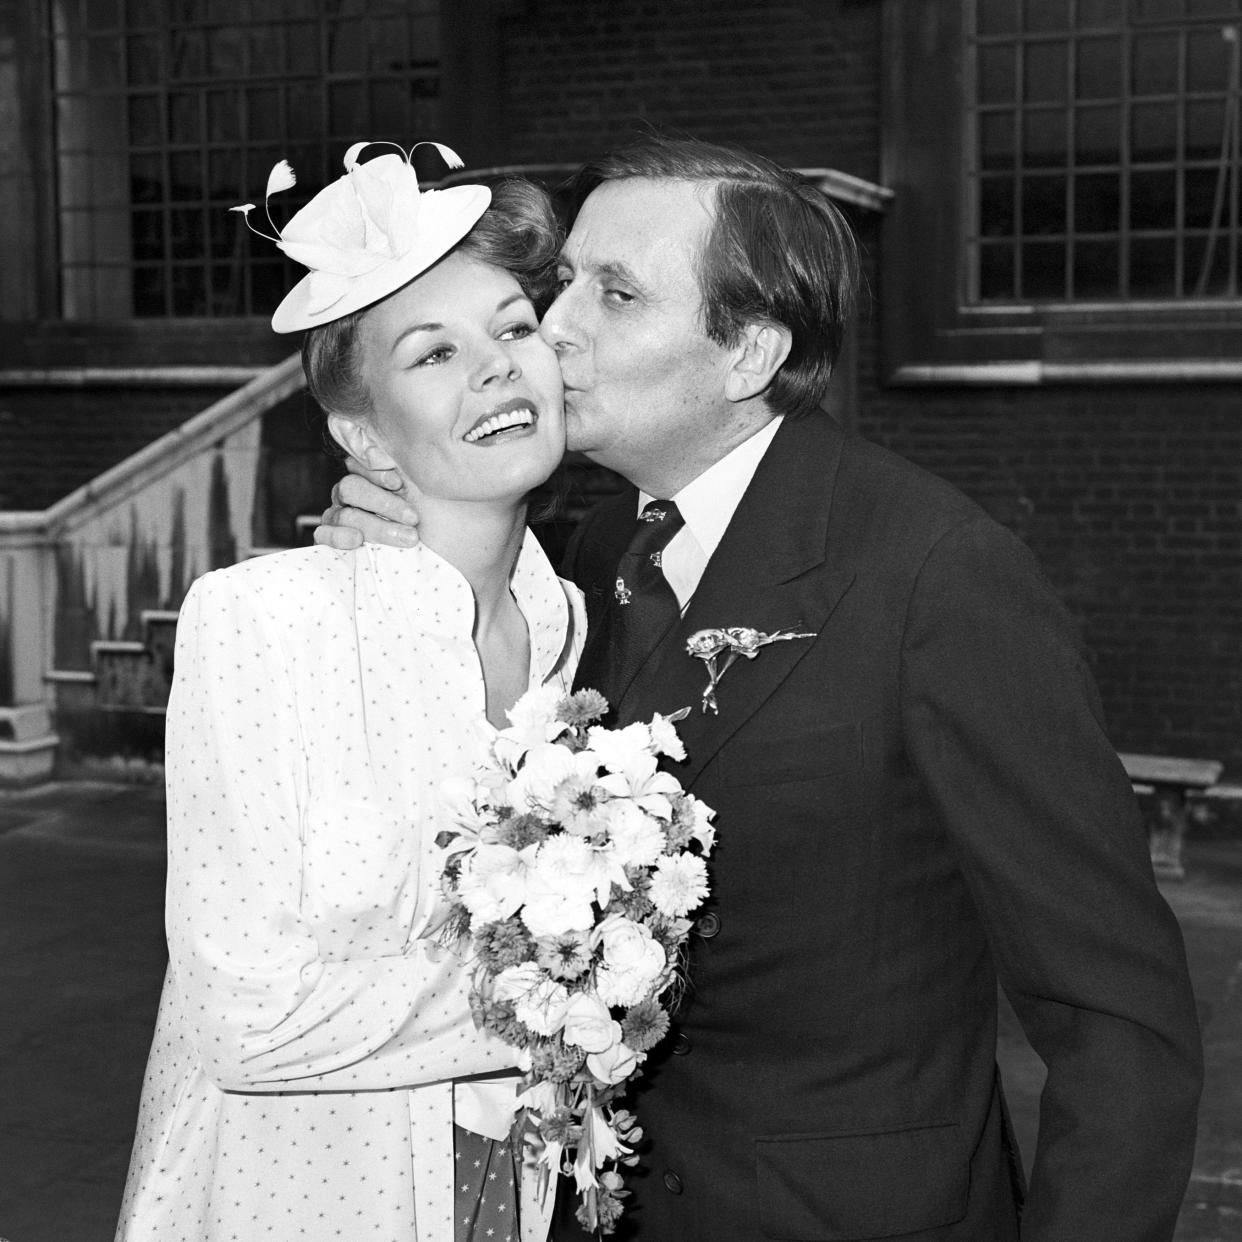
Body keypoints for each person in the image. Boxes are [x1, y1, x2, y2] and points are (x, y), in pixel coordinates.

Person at [316, 134, 1203, 1241]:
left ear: (750, 353)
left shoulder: (936, 576)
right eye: (563, 284)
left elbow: (1118, 1019)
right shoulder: (590, 553)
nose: (554, 327)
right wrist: (413, 556)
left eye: (617, 293)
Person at [116, 144, 579, 1242]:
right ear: (364, 433)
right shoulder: (263, 622)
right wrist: (566, 999)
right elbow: (247, 1020)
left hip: (500, 1184)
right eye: (433, 354)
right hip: (294, 1194)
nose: (496, 370)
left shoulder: (564, 624)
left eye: (515, 329)